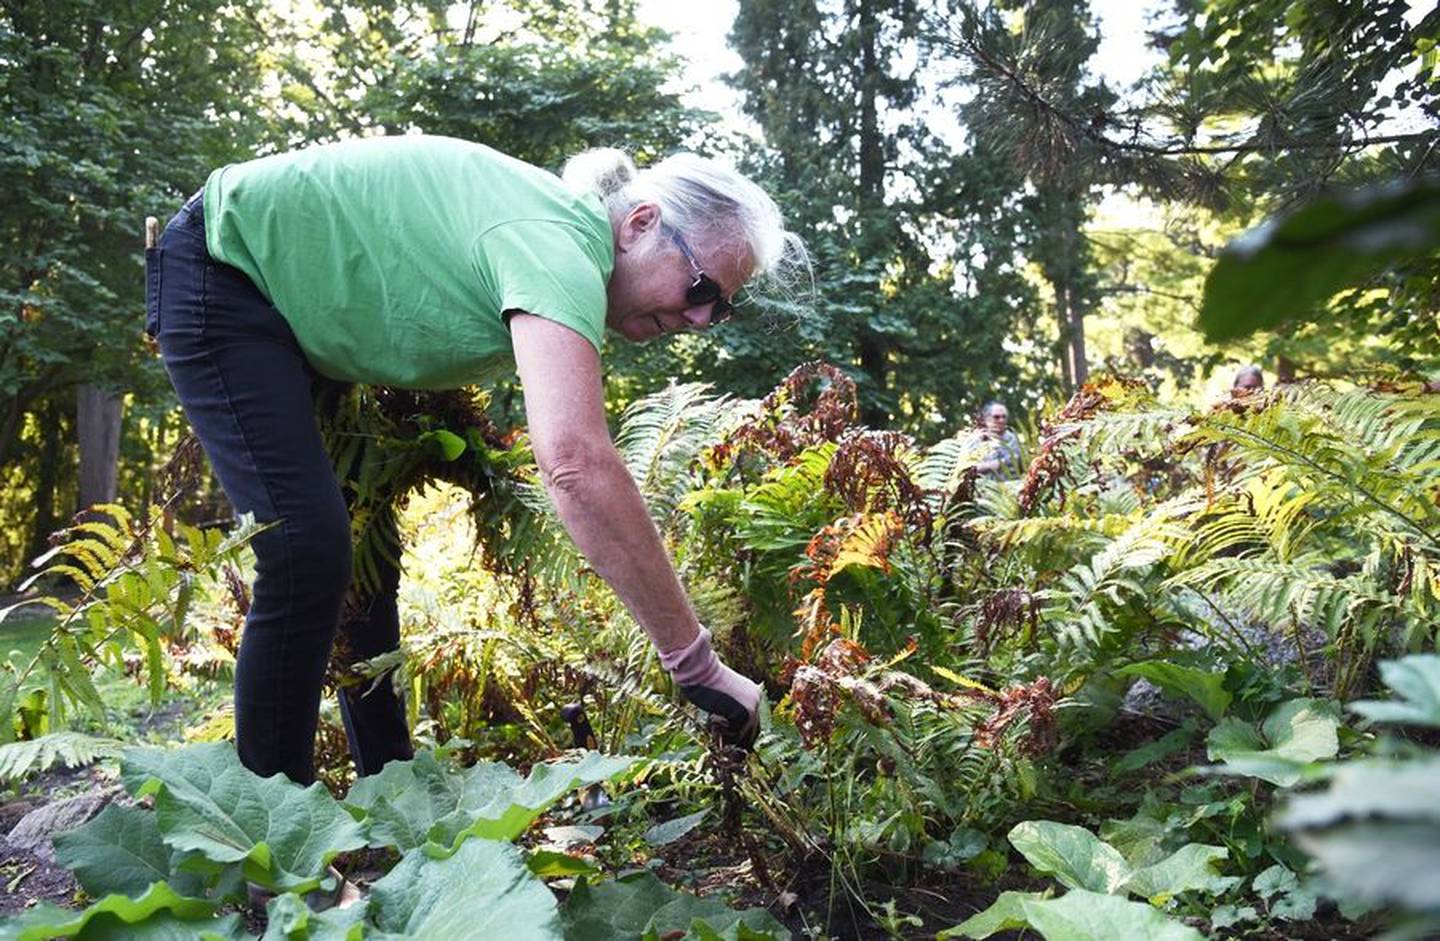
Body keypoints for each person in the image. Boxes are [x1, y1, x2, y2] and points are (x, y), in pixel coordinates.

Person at [145, 135, 805, 785]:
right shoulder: (561, 243)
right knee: (305, 548)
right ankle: (267, 844)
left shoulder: (557, 236)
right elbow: (575, 463)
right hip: (225, 268)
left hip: (289, 308)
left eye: (720, 308)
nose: (699, 318)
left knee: (364, 544)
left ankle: (389, 795)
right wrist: (698, 667)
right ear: (639, 224)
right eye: (700, 287)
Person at [975, 400, 1023, 478]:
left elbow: (1025, 466)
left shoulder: (1014, 440)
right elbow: (967, 469)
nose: (1001, 420)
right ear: (986, 419)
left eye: (1004, 417)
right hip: (985, 487)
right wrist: (994, 464)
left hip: (1012, 486)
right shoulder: (976, 440)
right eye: (996, 417)